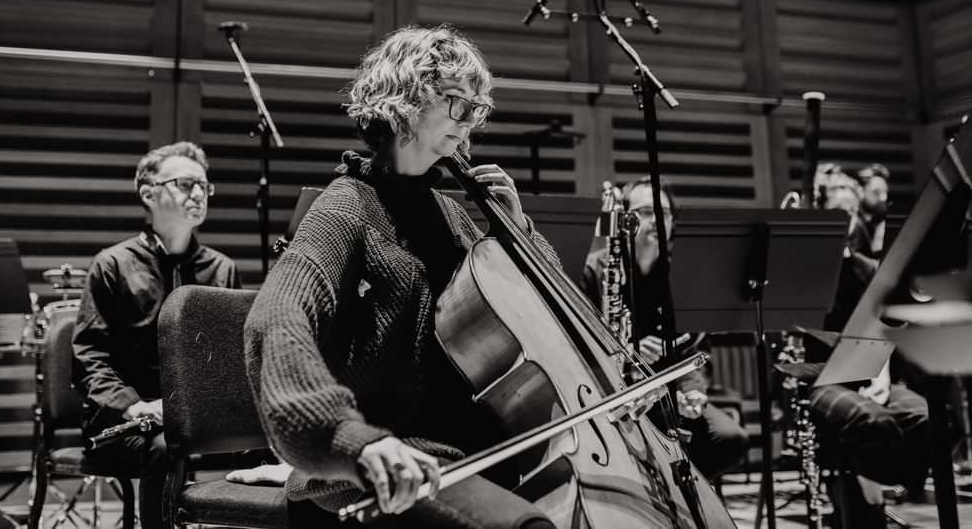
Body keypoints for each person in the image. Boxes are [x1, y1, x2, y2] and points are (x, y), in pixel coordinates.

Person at [244, 26, 558, 528]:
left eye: (478, 108)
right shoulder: (345, 209)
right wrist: (346, 440)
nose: (471, 120)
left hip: (476, 451)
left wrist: (519, 235)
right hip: (389, 464)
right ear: (406, 100)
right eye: (458, 102)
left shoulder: (451, 214)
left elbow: (547, 314)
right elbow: (275, 321)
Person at [71, 141, 241, 529]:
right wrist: (135, 406)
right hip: (129, 419)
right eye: (185, 184)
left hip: (198, 419)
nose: (199, 193)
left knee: (280, 444)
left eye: (204, 185)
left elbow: (233, 357)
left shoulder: (222, 270)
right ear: (148, 193)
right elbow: (87, 358)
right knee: (167, 449)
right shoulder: (112, 264)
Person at [579, 177, 750, 481]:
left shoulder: (682, 276)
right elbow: (579, 344)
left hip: (670, 394)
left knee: (730, 439)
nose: (655, 220)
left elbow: (696, 349)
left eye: (663, 213)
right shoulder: (593, 271)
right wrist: (628, 352)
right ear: (625, 220)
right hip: (616, 395)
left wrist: (692, 392)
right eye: (644, 212)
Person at [807, 163, 930, 529]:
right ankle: (868, 496)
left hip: (867, 371)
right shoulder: (804, 268)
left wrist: (880, 374)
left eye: (850, 212)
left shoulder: (864, 267)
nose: (845, 219)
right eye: (837, 212)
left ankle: (873, 487)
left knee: (923, 414)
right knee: (870, 421)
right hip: (821, 379)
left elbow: (884, 328)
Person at [856, 163, 890, 255]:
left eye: (885, 192)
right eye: (877, 192)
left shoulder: (881, 221)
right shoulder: (852, 222)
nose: (884, 197)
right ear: (861, 190)